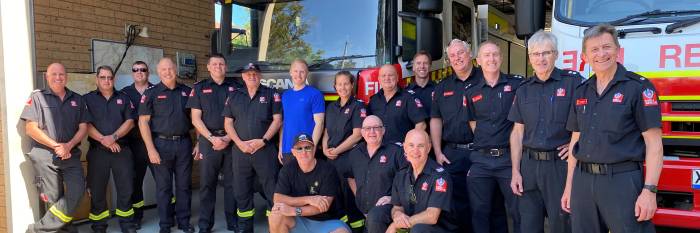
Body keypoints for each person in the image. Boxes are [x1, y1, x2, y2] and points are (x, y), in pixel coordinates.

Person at [561, 24, 662, 233]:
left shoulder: (638, 87)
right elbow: (575, 141)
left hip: (622, 181)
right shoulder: (581, 91)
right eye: (594, 50)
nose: (601, 54)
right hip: (583, 180)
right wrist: (570, 184)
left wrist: (649, 190)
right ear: (585, 56)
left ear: (618, 49)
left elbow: (654, 144)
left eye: (606, 47)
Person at [508, 30, 581, 233]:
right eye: (536, 54)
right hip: (528, 167)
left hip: (558, 166)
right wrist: (515, 171)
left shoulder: (573, 83)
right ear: (530, 57)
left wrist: (575, 145)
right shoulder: (523, 89)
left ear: (556, 54)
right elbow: (517, 132)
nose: (541, 59)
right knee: (528, 226)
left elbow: (587, 122)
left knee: (562, 224)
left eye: (546, 53)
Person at [22, 63, 89, 233]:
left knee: (78, 190)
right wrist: (56, 146)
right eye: (54, 74)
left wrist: (69, 146)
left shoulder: (77, 99)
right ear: (47, 76)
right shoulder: (37, 97)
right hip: (45, 156)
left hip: (71, 155)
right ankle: (66, 230)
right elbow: (30, 128)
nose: (58, 77)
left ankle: (36, 230)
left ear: (66, 76)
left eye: (61, 74)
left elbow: (83, 128)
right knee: (53, 199)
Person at [464, 41, 522, 233]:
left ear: (501, 58)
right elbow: (473, 123)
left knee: (518, 211)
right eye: (486, 55)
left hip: (508, 159)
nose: (491, 59)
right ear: (478, 61)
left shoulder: (516, 85)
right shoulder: (471, 91)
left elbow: (521, 124)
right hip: (481, 161)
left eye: (495, 54)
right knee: (480, 212)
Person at [223, 63, 282, 233]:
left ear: (260, 76)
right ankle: (245, 229)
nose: (251, 76)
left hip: (265, 150)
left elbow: (277, 120)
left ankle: (276, 228)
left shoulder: (271, 94)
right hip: (240, 151)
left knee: (271, 189)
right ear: (243, 76)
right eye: (248, 74)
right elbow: (228, 123)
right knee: (242, 191)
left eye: (255, 73)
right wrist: (240, 143)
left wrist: (263, 141)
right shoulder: (234, 96)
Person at [429, 38, 480, 233]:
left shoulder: (485, 79)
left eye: (460, 53)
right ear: (448, 60)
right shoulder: (442, 87)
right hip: (453, 154)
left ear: (470, 54)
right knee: (457, 205)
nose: (457, 58)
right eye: (452, 55)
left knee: (484, 203)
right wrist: (438, 151)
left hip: (480, 153)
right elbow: (435, 120)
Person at [138, 57, 195, 233]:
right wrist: (150, 149)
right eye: (163, 69)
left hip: (184, 143)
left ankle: (184, 222)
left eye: (170, 68)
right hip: (160, 145)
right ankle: (165, 224)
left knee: (184, 186)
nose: (167, 72)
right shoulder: (151, 93)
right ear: (158, 72)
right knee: (163, 188)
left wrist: (199, 142)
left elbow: (196, 118)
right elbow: (143, 122)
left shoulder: (187, 91)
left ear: (175, 69)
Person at [186, 54, 240, 233]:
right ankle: (205, 225)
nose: (218, 66)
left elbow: (240, 117)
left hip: (231, 141)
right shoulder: (200, 88)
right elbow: (195, 119)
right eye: (214, 64)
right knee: (207, 185)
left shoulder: (236, 87)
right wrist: (211, 138)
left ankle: (233, 223)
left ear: (226, 67)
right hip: (209, 142)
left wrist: (227, 138)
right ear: (208, 67)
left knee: (232, 185)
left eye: (221, 64)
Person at [367, 129, 454, 233]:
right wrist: (397, 215)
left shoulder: (440, 176)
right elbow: (397, 207)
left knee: (417, 230)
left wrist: (395, 225)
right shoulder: (401, 175)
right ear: (404, 147)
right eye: (411, 145)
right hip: (413, 224)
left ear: (428, 148)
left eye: (420, 146)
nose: (415, 150)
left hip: (438, 228)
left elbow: (432, 216)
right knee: (376, 215)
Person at [84, 65, 137, 233]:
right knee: (97, 189)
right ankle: (99, 226)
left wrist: (113, 137)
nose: (107, 80)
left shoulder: (124, 98)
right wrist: (103, 140)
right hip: (98, 151)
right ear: (97, 79)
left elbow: (130, 122)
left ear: (114, 79)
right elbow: (85, 124)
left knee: (126, 188)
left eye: (110, 77)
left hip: (121, 150)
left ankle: (127, 225)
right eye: (103, 77)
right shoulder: (86, 99)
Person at [268, 133, 351, 233]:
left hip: (326, 222)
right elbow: (277, 198)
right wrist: (309, 199)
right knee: (275, 215)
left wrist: (293, 210)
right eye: (299, 148)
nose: (304, 152)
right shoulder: (287, 170)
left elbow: (324, 207)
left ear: (314, 149)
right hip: (299, 221)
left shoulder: (328, 170)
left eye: (307, 147)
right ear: (293, 152)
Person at [322, 71, 367, 231]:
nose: (342, 87)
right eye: (339, 84)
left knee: (350, 198)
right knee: (336, 197)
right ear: (335, 86)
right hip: (331, 159)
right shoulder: (331, 107)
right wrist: (326, 148)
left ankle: (357, 229)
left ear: (352, 85)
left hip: (349, 159)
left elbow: (357, 135)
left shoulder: (358, 106)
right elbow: (326, 131)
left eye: (346, 83)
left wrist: (336, 150)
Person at [346, 116, 407, 226]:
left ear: (383, 130)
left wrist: (393, 198)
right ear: (362, 132)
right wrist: (358, 195)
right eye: (368, 128)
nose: (372, 132)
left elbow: (407, 180)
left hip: (388, 210)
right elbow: (350, 177)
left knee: (375, 218)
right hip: (362, 212)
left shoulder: (396, 152)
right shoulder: (355, 153)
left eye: (376, 128)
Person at [120, 61, 156, 228]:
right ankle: (137, 217)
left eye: (143, 69)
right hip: (134, 145)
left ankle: (169, 213)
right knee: (135, 183)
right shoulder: (125, 94)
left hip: (156, 144)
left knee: (163, 181)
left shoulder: (157, 90)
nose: (139, 72)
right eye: (135, 70)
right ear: (132, 73)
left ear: (148, 72)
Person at [280, 59, 325, 164]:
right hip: (288, 150)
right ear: (290, 72)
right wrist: (281, 147)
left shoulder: (315, 94)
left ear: (307, 74)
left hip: (306, 150)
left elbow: (320, 123)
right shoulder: (285, 95)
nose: (298, 74)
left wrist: (312, 148)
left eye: (302, 71)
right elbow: (284, 123)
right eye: (295, 71)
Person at [367, 64, 427, 144]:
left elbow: (421, 124)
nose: (387, 78)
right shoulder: (374, 100)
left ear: (397, 77)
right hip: (378, 151)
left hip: (401, 152)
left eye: (390, 75)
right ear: (379, 79)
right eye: (383, 75)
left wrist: (409, 146)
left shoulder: (408, 97)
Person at [406, 50, 436, 115]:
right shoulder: (406, 92)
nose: (422, 66)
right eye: (418, 63)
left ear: (430, 66)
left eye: (425, 63)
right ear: (413, 67)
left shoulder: (438, 90)